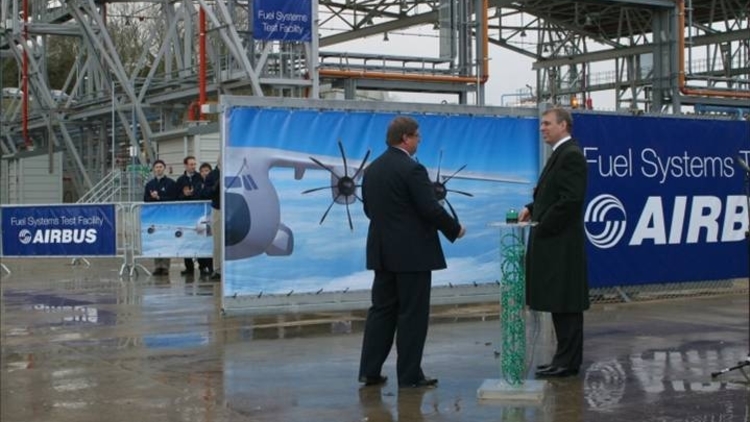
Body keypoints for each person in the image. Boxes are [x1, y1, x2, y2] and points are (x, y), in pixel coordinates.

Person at [358, 116, 465, 389]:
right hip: (412, 256)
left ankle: (369, 371)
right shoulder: (412, 170)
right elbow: (429, 208)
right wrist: (455, 229)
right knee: (412, 316)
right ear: (405, 138)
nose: (419, 141)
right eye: (417, 136)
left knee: (381, 311)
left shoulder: (373, 170)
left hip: (382, 253)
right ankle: (409, 376)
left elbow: (370, 210)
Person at [518, 107, 589, 378]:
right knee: (559, 303)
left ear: (563, 125)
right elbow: (552, 193)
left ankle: (568, 362)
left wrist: (542, 225)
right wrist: (532, 207)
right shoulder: (559, 154)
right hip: (554, 241)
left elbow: (570, 200)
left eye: (547, 123)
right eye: (542, 124)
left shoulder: (571, 155)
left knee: (567, 304)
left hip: (562, 243)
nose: (542, 128)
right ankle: (562, 358)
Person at [144, 159, 178, 276]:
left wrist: (159, 198)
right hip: (154, 217)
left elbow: (174, 198)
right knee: (156, 240)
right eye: (156, 167)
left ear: (164, 168)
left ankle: (165, 267)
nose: (158, 169)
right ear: (154, 169)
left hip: (167, 217)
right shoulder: (149, 185)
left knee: (166, 240)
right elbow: (145, 200)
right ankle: (157, 266)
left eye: (160, 167)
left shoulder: (171, 183)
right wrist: (152, 198)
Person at [175, 156, 202, 276]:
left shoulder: (199, 177)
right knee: (186, 239)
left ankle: (203, 265)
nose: (193, 167)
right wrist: (184, 195)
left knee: (201, 238)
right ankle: (189, 267)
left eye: (194, 164)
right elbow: (176, 197)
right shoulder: (180, 180)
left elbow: (203, 193)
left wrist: (194, 193)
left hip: (198, 213)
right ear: (185, 165)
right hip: (185, 214)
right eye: (191, 164)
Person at [203, 156, 221, 281]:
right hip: (218, 209)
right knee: (218, 241)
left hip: (235, 209)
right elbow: (206, 193)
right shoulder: (212, 175)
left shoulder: (236, 170)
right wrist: (216, 185)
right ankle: (218, 268)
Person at [196, 162, 214, 276]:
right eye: (202, 171)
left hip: (212, 214)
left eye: (206, 171)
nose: (204, 173)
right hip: (200, 216)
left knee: (211, 241)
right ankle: (202, 266)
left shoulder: (214, 182)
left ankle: (211, 266)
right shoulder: (198, 184)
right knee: (201, 241)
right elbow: (198, 195)